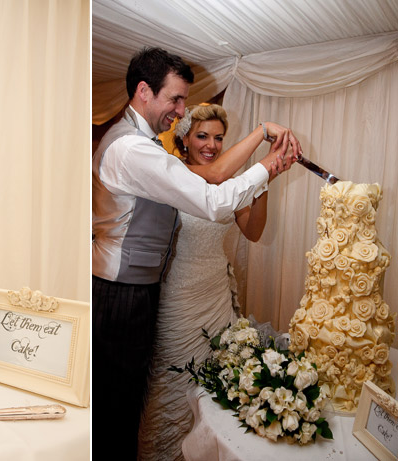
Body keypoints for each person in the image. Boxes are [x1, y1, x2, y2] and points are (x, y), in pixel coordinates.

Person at [92, 47, 300, 460]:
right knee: (118, 406)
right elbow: (213, 195)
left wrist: (262, 178)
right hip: (121, 291)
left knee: (126, 399)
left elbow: (240, 214)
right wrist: (267, 162)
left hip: (155, 292)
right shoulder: (132, 148)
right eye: (175, 99)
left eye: (184, 100)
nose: (180, 110)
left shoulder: (142, 143)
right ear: (144, 92)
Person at [137, 104, 274, 460]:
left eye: (218, 137)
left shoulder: (230, 180)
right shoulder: (173, 170)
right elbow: (211, 175)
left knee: (216, 380)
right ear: (184, 137)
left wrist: (262, 184)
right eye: (202, 136)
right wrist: (262, 144)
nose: (211, 144)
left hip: (215, 294)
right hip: (178, 295)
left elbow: (254, 231)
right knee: (173, 377)